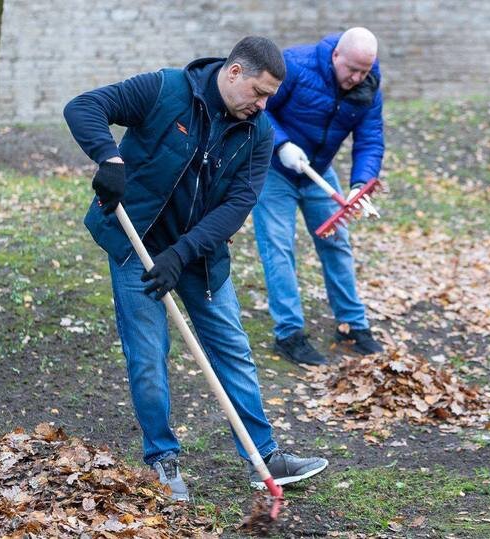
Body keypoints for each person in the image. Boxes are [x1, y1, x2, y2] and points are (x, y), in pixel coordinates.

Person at [63, 36, 327, 502]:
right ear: (233, 73)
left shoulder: (258, 132)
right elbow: (84, 107)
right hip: (136, 247)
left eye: (270, 97)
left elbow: (236, 206)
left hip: (198, 257)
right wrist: (109, 157)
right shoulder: (166, 90)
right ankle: (162, 461)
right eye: (259, 92)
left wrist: (180, 255)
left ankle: (263, 455)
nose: (264, 105)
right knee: (148, 357)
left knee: (233, 350)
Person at [253, 27, 385, 366]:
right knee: (279, 248)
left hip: (318, 170)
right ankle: (289, 334)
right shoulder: (295, 65)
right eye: (351, 69)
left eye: (364, 71)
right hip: (275, 169)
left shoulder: (369, 85)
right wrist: (281, 143)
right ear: (335, 56)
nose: (356, 77)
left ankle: (352, 325)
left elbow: (370, 139)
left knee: (337, 242)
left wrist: (360, 184)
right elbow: (259, 108)